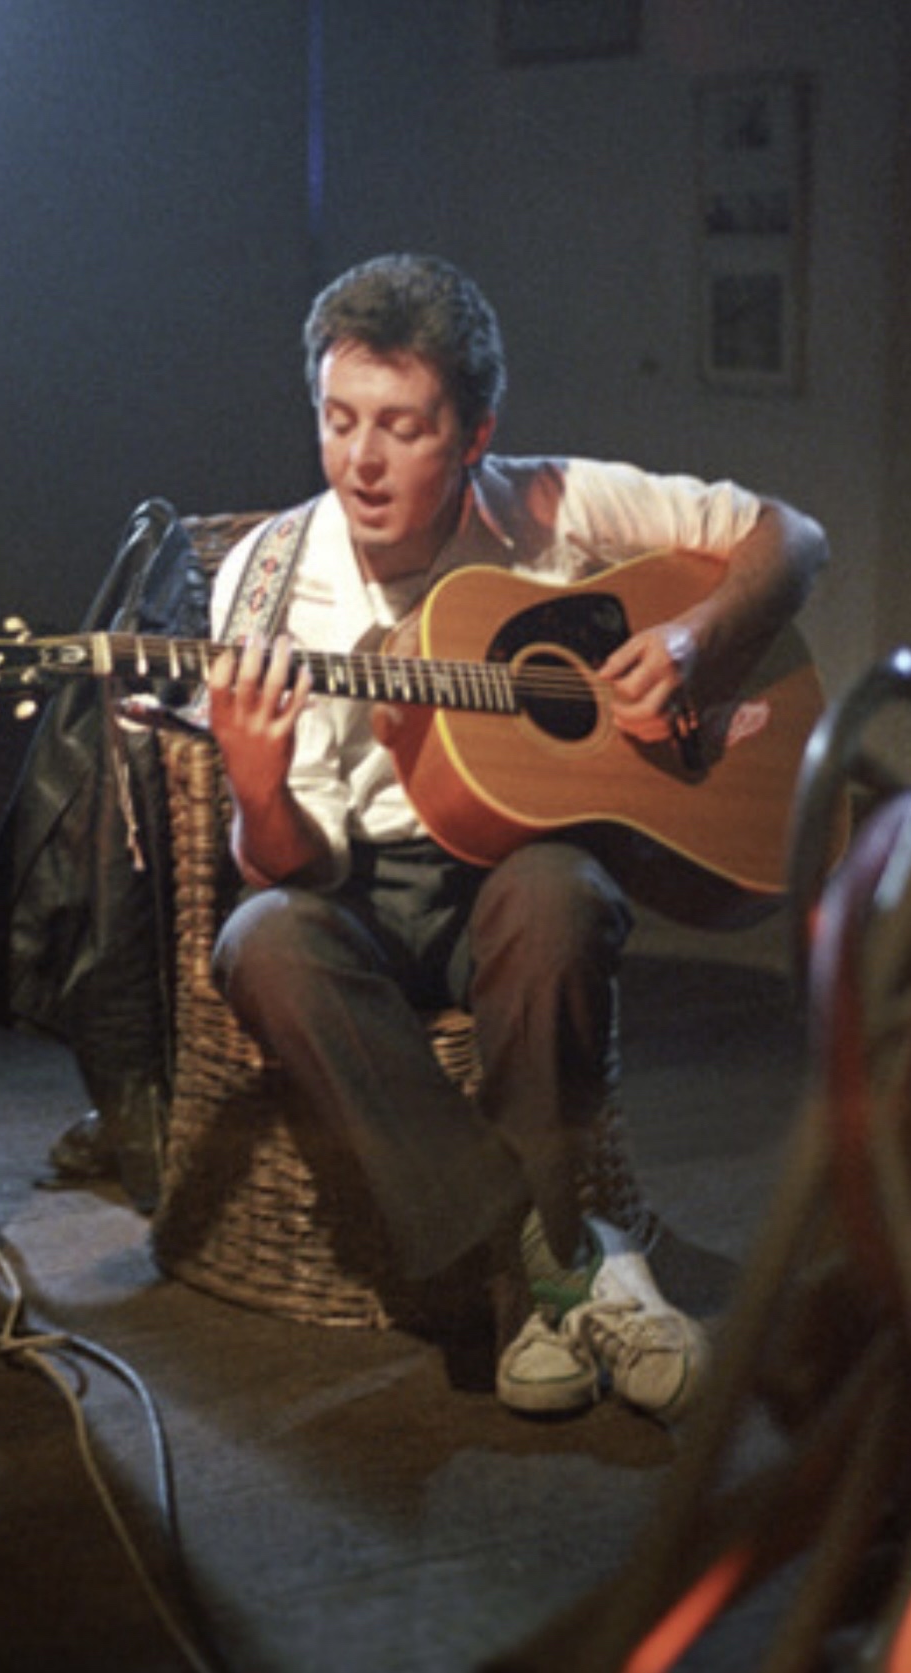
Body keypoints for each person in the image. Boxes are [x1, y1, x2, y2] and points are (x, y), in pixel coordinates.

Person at [203, 253, 828, 1421]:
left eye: (402, 427)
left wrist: (692, 639)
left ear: (475, 434)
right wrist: (256, 786)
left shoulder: (557, 506)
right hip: (353, 892)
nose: (361, 460)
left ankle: (526, 1294)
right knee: (260, 941)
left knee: (563, 892)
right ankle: (544, 1257)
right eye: (338, 420)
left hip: (509, 865)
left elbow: (792, 539)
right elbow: (287, 866)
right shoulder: (269, 579)